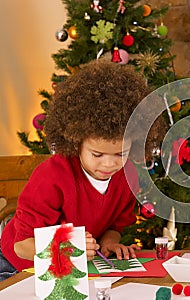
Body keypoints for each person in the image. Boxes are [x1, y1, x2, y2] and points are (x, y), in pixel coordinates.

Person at [0, 60, 155, 281]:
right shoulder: (52, 176)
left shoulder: (128, 177)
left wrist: (110, 242)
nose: (109, 165)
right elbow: (22, 246)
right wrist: (70, 248)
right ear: (76, 143)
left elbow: (114, 225)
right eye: (97, 155)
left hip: (73, 270)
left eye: (120, 154)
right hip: (19, 267)